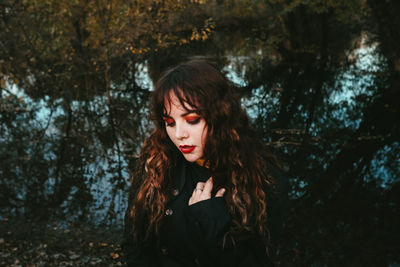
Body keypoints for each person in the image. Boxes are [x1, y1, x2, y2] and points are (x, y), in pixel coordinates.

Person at [122, 60, 284, 267]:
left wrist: (210, 219)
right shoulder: (156, 162)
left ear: (220, 116)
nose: (179, 134)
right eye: (170, 122)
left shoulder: (263, 178)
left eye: (192, 119)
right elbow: (134, 244)